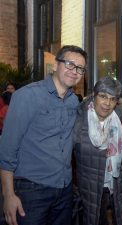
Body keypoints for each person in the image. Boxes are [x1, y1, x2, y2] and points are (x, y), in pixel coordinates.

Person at [0, 45, 87, 225]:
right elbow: (7, 150)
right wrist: (8, 195)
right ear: (55, 65)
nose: (75, 71)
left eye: (80, 68)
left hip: (64, 189)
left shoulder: (73, 101)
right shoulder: (27, 96)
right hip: (32, 191)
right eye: (70, 64)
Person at [73, 76, 122, 225]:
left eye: (112, 99)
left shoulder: (121, 118)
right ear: (94, 96)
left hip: (115, 184)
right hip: (89, 188)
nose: (107, 103)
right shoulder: (79, 118)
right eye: (103, 96)